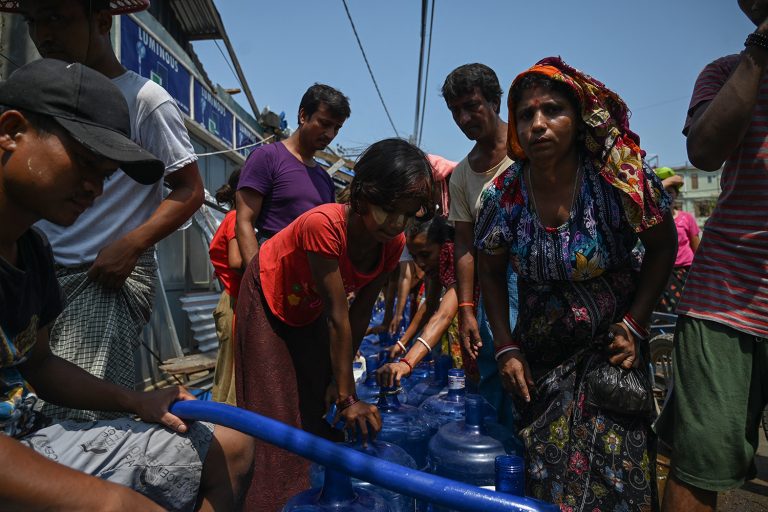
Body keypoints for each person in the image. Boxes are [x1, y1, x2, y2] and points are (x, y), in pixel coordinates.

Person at [0, 58, 253, 512]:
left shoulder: (32, 251)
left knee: (231, 447)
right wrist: (110, 502)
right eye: (84, 163)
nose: (94, 189)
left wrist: (135, 399)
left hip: (20, 429)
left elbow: (40, 364)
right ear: (11, 131)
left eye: (105, 175)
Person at [475, 57, 676, 510]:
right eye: (526, 115)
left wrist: (637, 325)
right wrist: (505, 346)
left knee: (618, 480)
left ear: (579, 117)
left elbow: (663, 248)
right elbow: (489, 269)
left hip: (611, 354)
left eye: (552, 111)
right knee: (545, 481)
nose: (538, 124)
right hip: (540, 364)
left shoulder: (619, 181)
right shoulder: (502, 194)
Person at [7, 0, 205, 421]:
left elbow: (190, 190)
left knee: (74, 417)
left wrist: (130, 246)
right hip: (40, 272)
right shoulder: (36, 96)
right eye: (34, 22)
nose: (44, 35)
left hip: (104, 274)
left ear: (101, 20)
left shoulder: (145, 99)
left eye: (58, 17)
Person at [234, 138, 434, 511]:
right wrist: (349, 397)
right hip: (269, 297)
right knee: (274, 411)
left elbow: (359, 315)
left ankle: (312, 490)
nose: (396, 224)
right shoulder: (324, 225)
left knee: (314, 406)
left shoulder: (390, 244)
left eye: (406, 215)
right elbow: (337, 313)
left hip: (307, 308)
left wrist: (336, 384)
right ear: (362, 195)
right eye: (389, 210)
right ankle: (270, 502)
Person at [656, 3, 768, 510]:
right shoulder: (726, 72)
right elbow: (704, 150)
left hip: (695, 276)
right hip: (722, 299)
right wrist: (761, 47)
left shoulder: (682, 220)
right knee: (699, 462)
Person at [442, 63, 519, 428]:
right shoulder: (461, 175)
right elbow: (464, 244)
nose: (464, 117)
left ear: (495, 101)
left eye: (471, 105)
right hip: (492, 290)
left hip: (540, 285)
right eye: (455, 110)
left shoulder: (527, 148)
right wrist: (468, 308)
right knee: (493, 374)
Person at [235, 83, 350, 266]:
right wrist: (257, 278)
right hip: (271, 270)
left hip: (309, 280)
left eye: (337, 128)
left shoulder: (325, 179)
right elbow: (244, 221)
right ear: (303, 116)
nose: (330, 134)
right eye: (325, 124)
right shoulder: (267, 157)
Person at [378, 216, 470, 386]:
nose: (420, 263)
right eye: (414, 257)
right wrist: (401, 344)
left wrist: (407, 363)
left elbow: (443, 315)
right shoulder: (436, 265)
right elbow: (429, 305)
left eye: (425, 254)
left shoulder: (454, 257)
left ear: (445, 245)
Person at [208, 169, 243, 405]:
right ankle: (224, 434)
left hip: (232, 300)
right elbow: (237, 261)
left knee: (230, 372)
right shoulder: (236, 218)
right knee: (231, 377)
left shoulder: (233, 217)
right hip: (234, 304)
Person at [653, 167, 699, 313]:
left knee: (685, 308)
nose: (668, 196)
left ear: (676, 195)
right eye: (664, 192)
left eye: (671, 193)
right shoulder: (654, 220)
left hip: (684, 271)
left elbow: (696, 247)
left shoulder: (687, 217)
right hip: (664, 271)